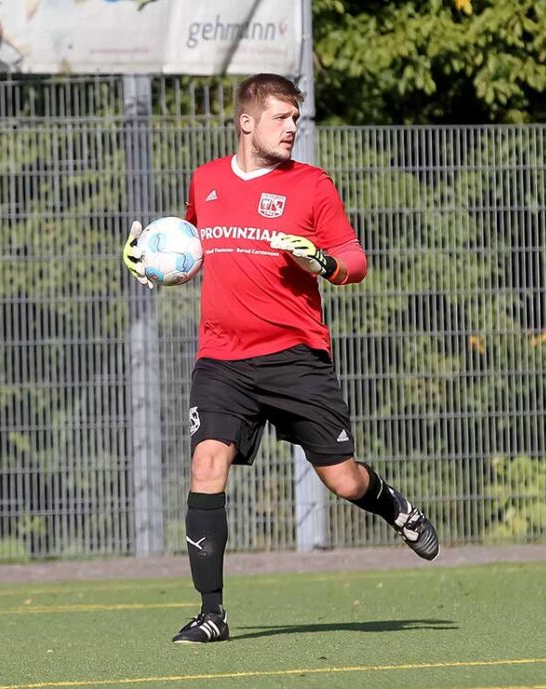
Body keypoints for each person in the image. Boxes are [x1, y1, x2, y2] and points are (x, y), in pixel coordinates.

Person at [122, 73, 439, 645]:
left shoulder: (312, 186)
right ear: (247, 123)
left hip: (296, 359)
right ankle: (211, 612)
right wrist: (151, 262)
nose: (293, 127)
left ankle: (396, 507)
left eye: (296, 118)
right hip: (222, 360)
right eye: (281, 118)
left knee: (342, 481)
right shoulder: (207, 180)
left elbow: (355, 262)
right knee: (205, 466)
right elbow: (193, 249)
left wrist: (321, 261)